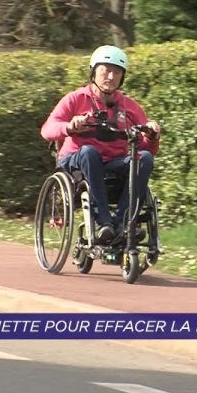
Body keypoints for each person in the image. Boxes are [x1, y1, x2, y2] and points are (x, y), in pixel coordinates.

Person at [41, 45, 161, 244]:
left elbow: (147, 150)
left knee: (144, 159)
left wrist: (152, 136)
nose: (111, 77)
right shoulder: (75, 99)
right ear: (93, 72)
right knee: (89, 152)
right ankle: (104, 222)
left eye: (117, 72)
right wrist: (69, 127)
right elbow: (47, 129)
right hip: (77, 162)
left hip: (113, 163)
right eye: (105, 70)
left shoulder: (130, 107)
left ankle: (122, 222)